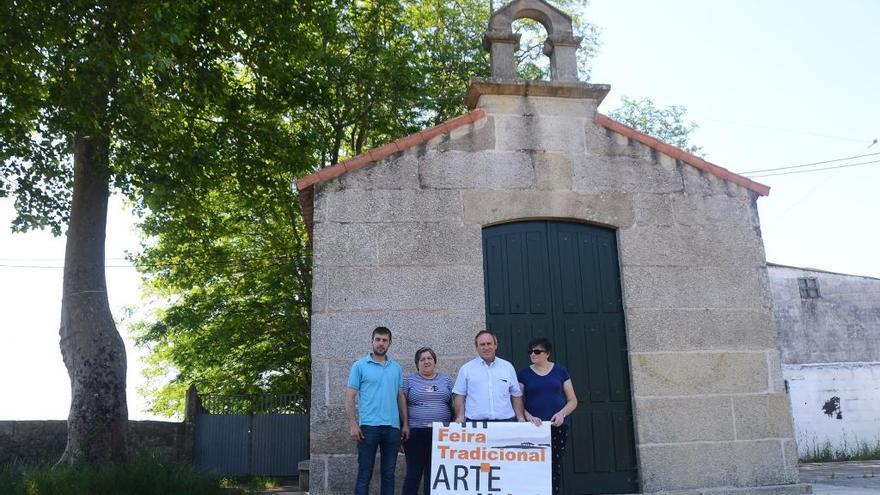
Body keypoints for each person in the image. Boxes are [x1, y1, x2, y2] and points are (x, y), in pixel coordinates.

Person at [345, 326, 410, 495]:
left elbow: (400, 397)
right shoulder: (359, 366)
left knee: (389, 475)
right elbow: (350, 396)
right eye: (378, 339)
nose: (381, 343)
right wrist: (353, 424)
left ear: (390, 343)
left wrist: (405, 424)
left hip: (392, 428)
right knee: (364, 474)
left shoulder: (396, 368)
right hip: (368, 428)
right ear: (372, 341)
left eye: (384, 340)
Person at [518, 337, 578, 495]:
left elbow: (573, 400)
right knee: (534, 465)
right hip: (534, 428)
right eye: (530, 351)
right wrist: (529, 417)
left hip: (557, 425)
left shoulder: (560, 371)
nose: (533, 354)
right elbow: (519, 402)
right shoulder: (524, 374)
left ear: (547, 353)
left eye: (537, 351)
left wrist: (561, 414)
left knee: (554, 464)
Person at [402, 347, 453, 495]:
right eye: (422, 359)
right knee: (414, 473)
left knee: (435, 474)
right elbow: (401, 404)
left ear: (435, 361)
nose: (426, 361)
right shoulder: (409, 381)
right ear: (417, 363)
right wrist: (403, 426)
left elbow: (456, 401)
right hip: (416, 432)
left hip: (442, 433)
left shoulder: (446, 380)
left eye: (429, 358)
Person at [453, 330, 525, 422]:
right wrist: (460, 417)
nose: (486, 347)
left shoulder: (507, 367)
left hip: (505, 423)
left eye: (489, 343)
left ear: (495, 346)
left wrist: (520, 418)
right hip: (476, 424)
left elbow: (516, 395)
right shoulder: (466, 369)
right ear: (477, 348)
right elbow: (459, 396)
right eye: (482, 344)